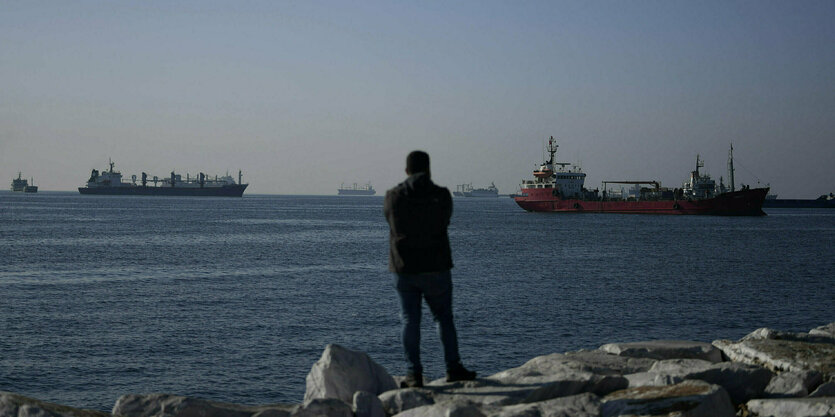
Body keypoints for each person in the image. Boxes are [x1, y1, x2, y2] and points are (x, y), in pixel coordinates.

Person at [383, 150, 476, 388]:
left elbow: (390, 222)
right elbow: (445, 222)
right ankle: (453, 368)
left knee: (409, 321)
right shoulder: (442, 195)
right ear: (429, 169)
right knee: (443, 318)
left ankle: (413, 374)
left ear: (406, 171)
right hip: (436, 267)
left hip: (404, 269)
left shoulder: (393, 196)